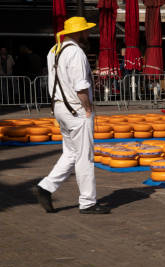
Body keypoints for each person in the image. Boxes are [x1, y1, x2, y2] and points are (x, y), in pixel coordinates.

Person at [35, 17, 110, 214]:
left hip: (59, 106)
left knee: (71, 152)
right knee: (84, 156)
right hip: (76, 108)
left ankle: (46, 187)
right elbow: (80, 86)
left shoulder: (54, 50)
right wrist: (87, 109)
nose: (88, 34)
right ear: (78, 33)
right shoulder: (76, 52)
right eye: (86, 31)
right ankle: (88, 202)